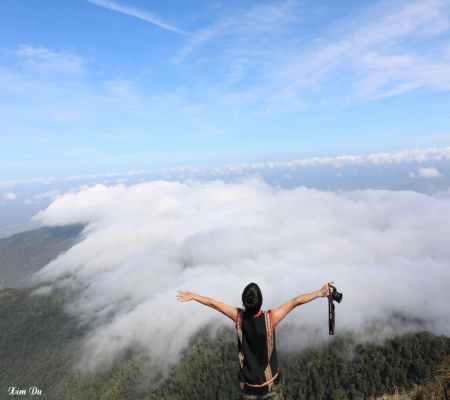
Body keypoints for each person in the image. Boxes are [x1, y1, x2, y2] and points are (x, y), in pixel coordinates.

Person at [177, 281, 335, 400]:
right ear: (261, 301)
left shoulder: (238, 317)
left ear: (244, 302)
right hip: (270, 385)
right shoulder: (271, 319)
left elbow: (215, 305)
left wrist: (193, 296)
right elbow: (296, 301)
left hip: (248, 387)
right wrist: (320, 293)